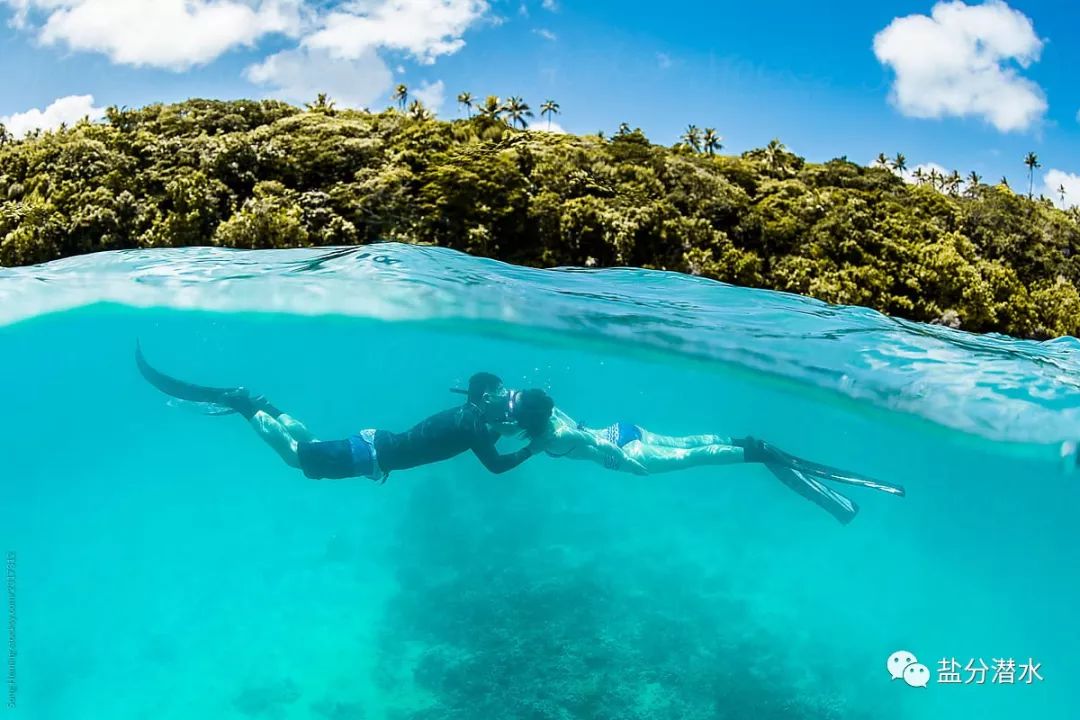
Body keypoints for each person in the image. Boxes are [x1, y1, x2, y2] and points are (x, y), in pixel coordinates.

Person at [136, 342, 540, 482]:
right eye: (500, 394)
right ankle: (243, 404)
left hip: (374, 447)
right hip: (372, 454)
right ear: (485, 395)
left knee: (307, 443)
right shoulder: (473, 423)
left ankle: (261, 405)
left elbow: (477, 435)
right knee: (297, 459)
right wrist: (533, 449)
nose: (505, 400)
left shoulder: (470, 415)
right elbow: (496, 466)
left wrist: (505, 429)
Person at [502, 389, 904, 524]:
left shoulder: (550, 437)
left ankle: (755, 451)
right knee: (692, 443)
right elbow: (523, 413)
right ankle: (747, 443)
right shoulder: (551, 413)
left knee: (698, 457)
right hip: (626, 430)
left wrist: (633, 469)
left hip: (624, 448)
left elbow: (599, 449)